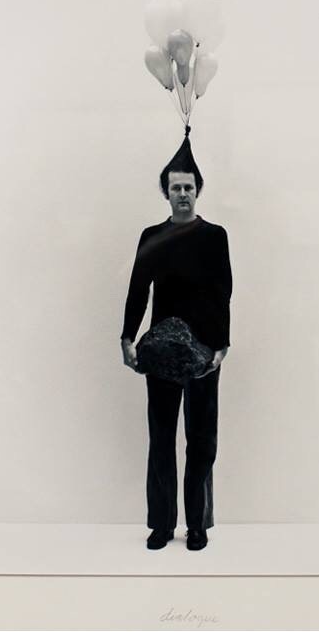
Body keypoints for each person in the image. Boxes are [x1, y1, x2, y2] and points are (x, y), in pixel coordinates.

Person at [120, 129, 232, 551]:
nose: (182, 194)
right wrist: (127, 337)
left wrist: (221, 346)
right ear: (165, 193)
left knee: (201, 441)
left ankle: (197, 525)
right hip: (161, 352)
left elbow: (223, 291)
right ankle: (162, 524)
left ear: (197, 190)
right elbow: (138, 290)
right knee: (162, 438)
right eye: (175, 188)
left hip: (203, 353)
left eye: (188, 187)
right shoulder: (152, 236)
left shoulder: (214, 236)